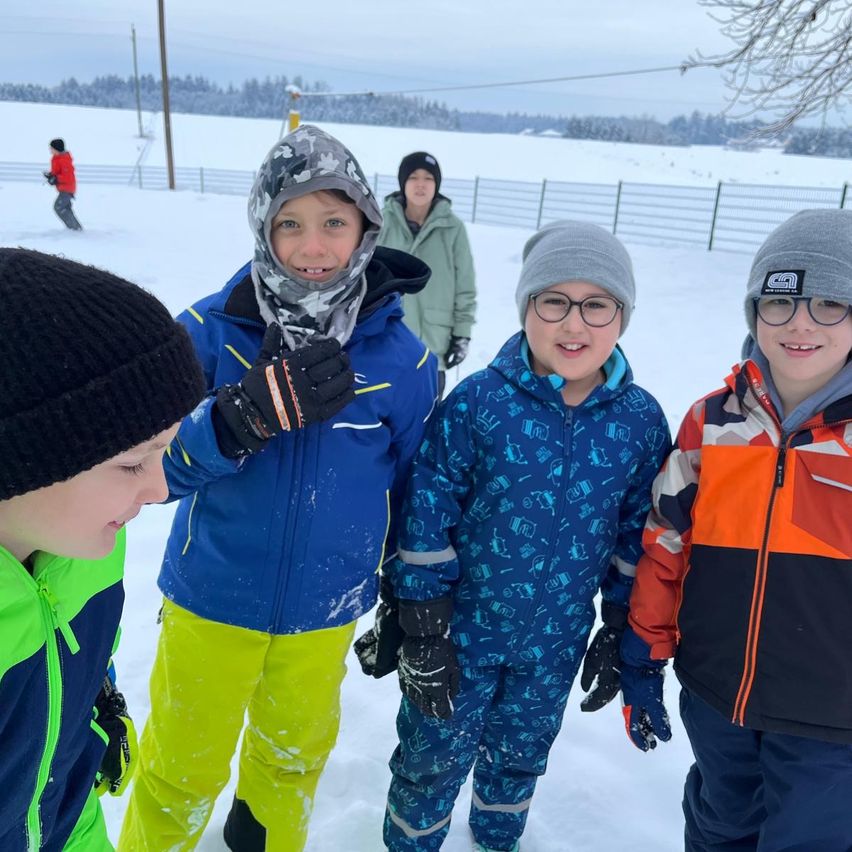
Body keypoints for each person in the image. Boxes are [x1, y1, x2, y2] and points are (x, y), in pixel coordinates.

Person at [118, 124, 439, 852]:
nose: (313, 246)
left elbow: (415, 494)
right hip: (211, 602)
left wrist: (408, 596)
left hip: (323, 616)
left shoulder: (405, 362)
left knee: (289, 765)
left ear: (366, 227)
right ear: (263, 229)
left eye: (334, 222)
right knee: (179, 772)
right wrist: (232, 424)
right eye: (289, 224)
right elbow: (143, 474)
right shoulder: (208, 332)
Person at [358, 220, 670, 851]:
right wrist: (421, 620)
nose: (574, 324)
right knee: (429, 757)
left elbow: (637, 535)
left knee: (521, 756)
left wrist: (619, 624)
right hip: (459, 636)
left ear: (622, 317)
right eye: (553, 302)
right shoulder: (479, 403)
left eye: (597, 305)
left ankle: (498, 839)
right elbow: (427, 513)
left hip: (555, 641)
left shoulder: (640, 421)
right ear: (527, 308)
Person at [622, 208, 852, 851]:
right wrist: (645, 650)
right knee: (719, 825)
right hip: (717, 691)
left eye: (829, 303)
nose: (801, 323)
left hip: (831, 717)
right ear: (754, 313)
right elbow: (667, 542)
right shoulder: (712, 422)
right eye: (779, 303)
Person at [0, 248, 205, 851]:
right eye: (132, 462)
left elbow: (77, 660)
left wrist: (96, 709)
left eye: (165, 452)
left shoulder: (89, 549)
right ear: (23, 460)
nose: (160, 489)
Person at [378, 151, 476, 397]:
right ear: (403, 182)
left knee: (429, 413)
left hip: (433, 343)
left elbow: (465, 285)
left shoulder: (453, 228)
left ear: (437, 184)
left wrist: (462, 335)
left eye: (428, 178)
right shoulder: (381, 222)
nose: (420, 184)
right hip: (387, 341)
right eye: (413, 177)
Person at [44, 137, 83, 231]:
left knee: (59, 207)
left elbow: (67, 176)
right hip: (63, 188)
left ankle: (74, 229)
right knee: (65, 208)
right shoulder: (56, 158)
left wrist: (56, 179)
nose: (50, 150)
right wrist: (51, 176)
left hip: (67, 189)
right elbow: (58, 172)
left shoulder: (64, 160)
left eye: (51, 148)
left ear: (56, 148)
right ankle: (76, 229)